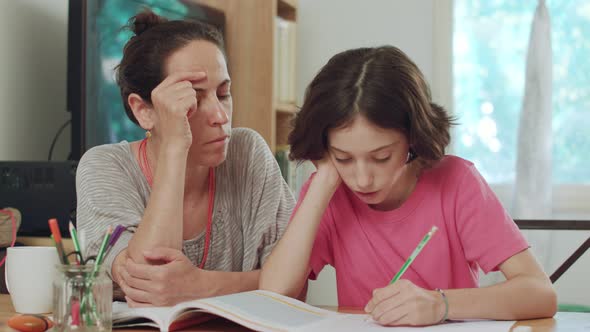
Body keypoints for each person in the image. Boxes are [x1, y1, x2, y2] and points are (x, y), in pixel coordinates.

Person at [259, 46, 557, 326]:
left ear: (413, 138)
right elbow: (273, 294)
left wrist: (441, 304)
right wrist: (323, 180)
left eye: (381, 157)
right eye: (343, 158)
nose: (361, 179)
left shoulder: (457, 182)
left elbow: (540, 293)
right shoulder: (329, 192)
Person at [76, 10, 294, 307]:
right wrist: (175, 145)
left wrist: (200, 286)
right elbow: (151, 285)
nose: (220, 116)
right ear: (144, 110)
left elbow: (294, 284)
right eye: (192, 98)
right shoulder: (104, 167)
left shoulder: (248, 154)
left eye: (224, 94)